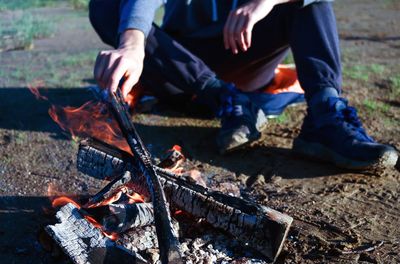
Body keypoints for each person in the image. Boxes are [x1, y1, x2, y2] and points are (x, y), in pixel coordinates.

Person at [89, 0, 398, 171]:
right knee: (106, 6)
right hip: (183, 72)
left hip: (245, 53)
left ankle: (324, 117)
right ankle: (225, 99)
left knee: (310, 3)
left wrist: (265, 2)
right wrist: (132, 44)